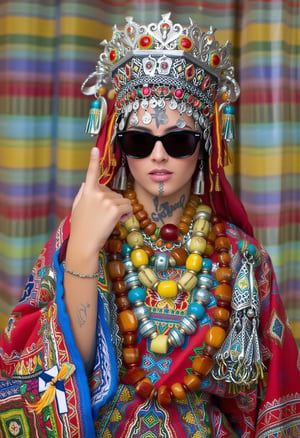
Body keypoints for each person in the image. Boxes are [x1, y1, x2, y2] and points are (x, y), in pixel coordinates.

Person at [1, 13, 300, 437]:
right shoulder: (90, 237)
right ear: (119, 148)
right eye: (139, 141)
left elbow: (274, 401)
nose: (158, 157)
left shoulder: (242, 257)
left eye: (179, 141)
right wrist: (83, 252)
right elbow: (65, 374)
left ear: (206, 146)